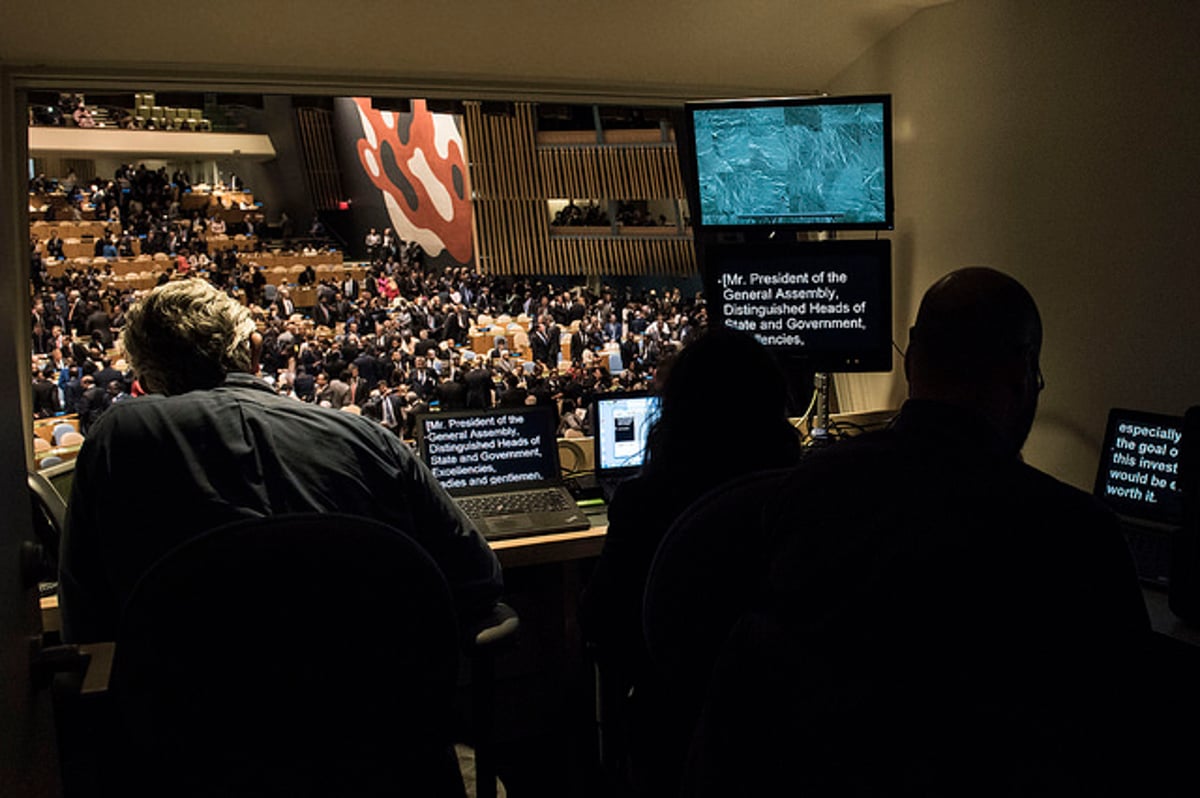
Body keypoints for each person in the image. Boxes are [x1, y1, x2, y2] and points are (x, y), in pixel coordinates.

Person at [652, 268, 1153, 797]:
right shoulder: (1077, 533)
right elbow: (1133, 732)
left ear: (911, 361)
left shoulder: (803, 492)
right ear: (1023, 370)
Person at [59, 279, 502, 644]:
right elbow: (479, 577)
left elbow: (85, 621)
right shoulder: (368, 440)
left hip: (191, 735)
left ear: (143, 377)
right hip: (373, 726)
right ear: (254, 351)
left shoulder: (118, 441)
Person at [579, 326, 802, 798]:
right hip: (794, 721)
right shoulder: (802, 492)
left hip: (678, 730)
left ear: (676, 412)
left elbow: (601, 623)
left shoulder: (644, 502)